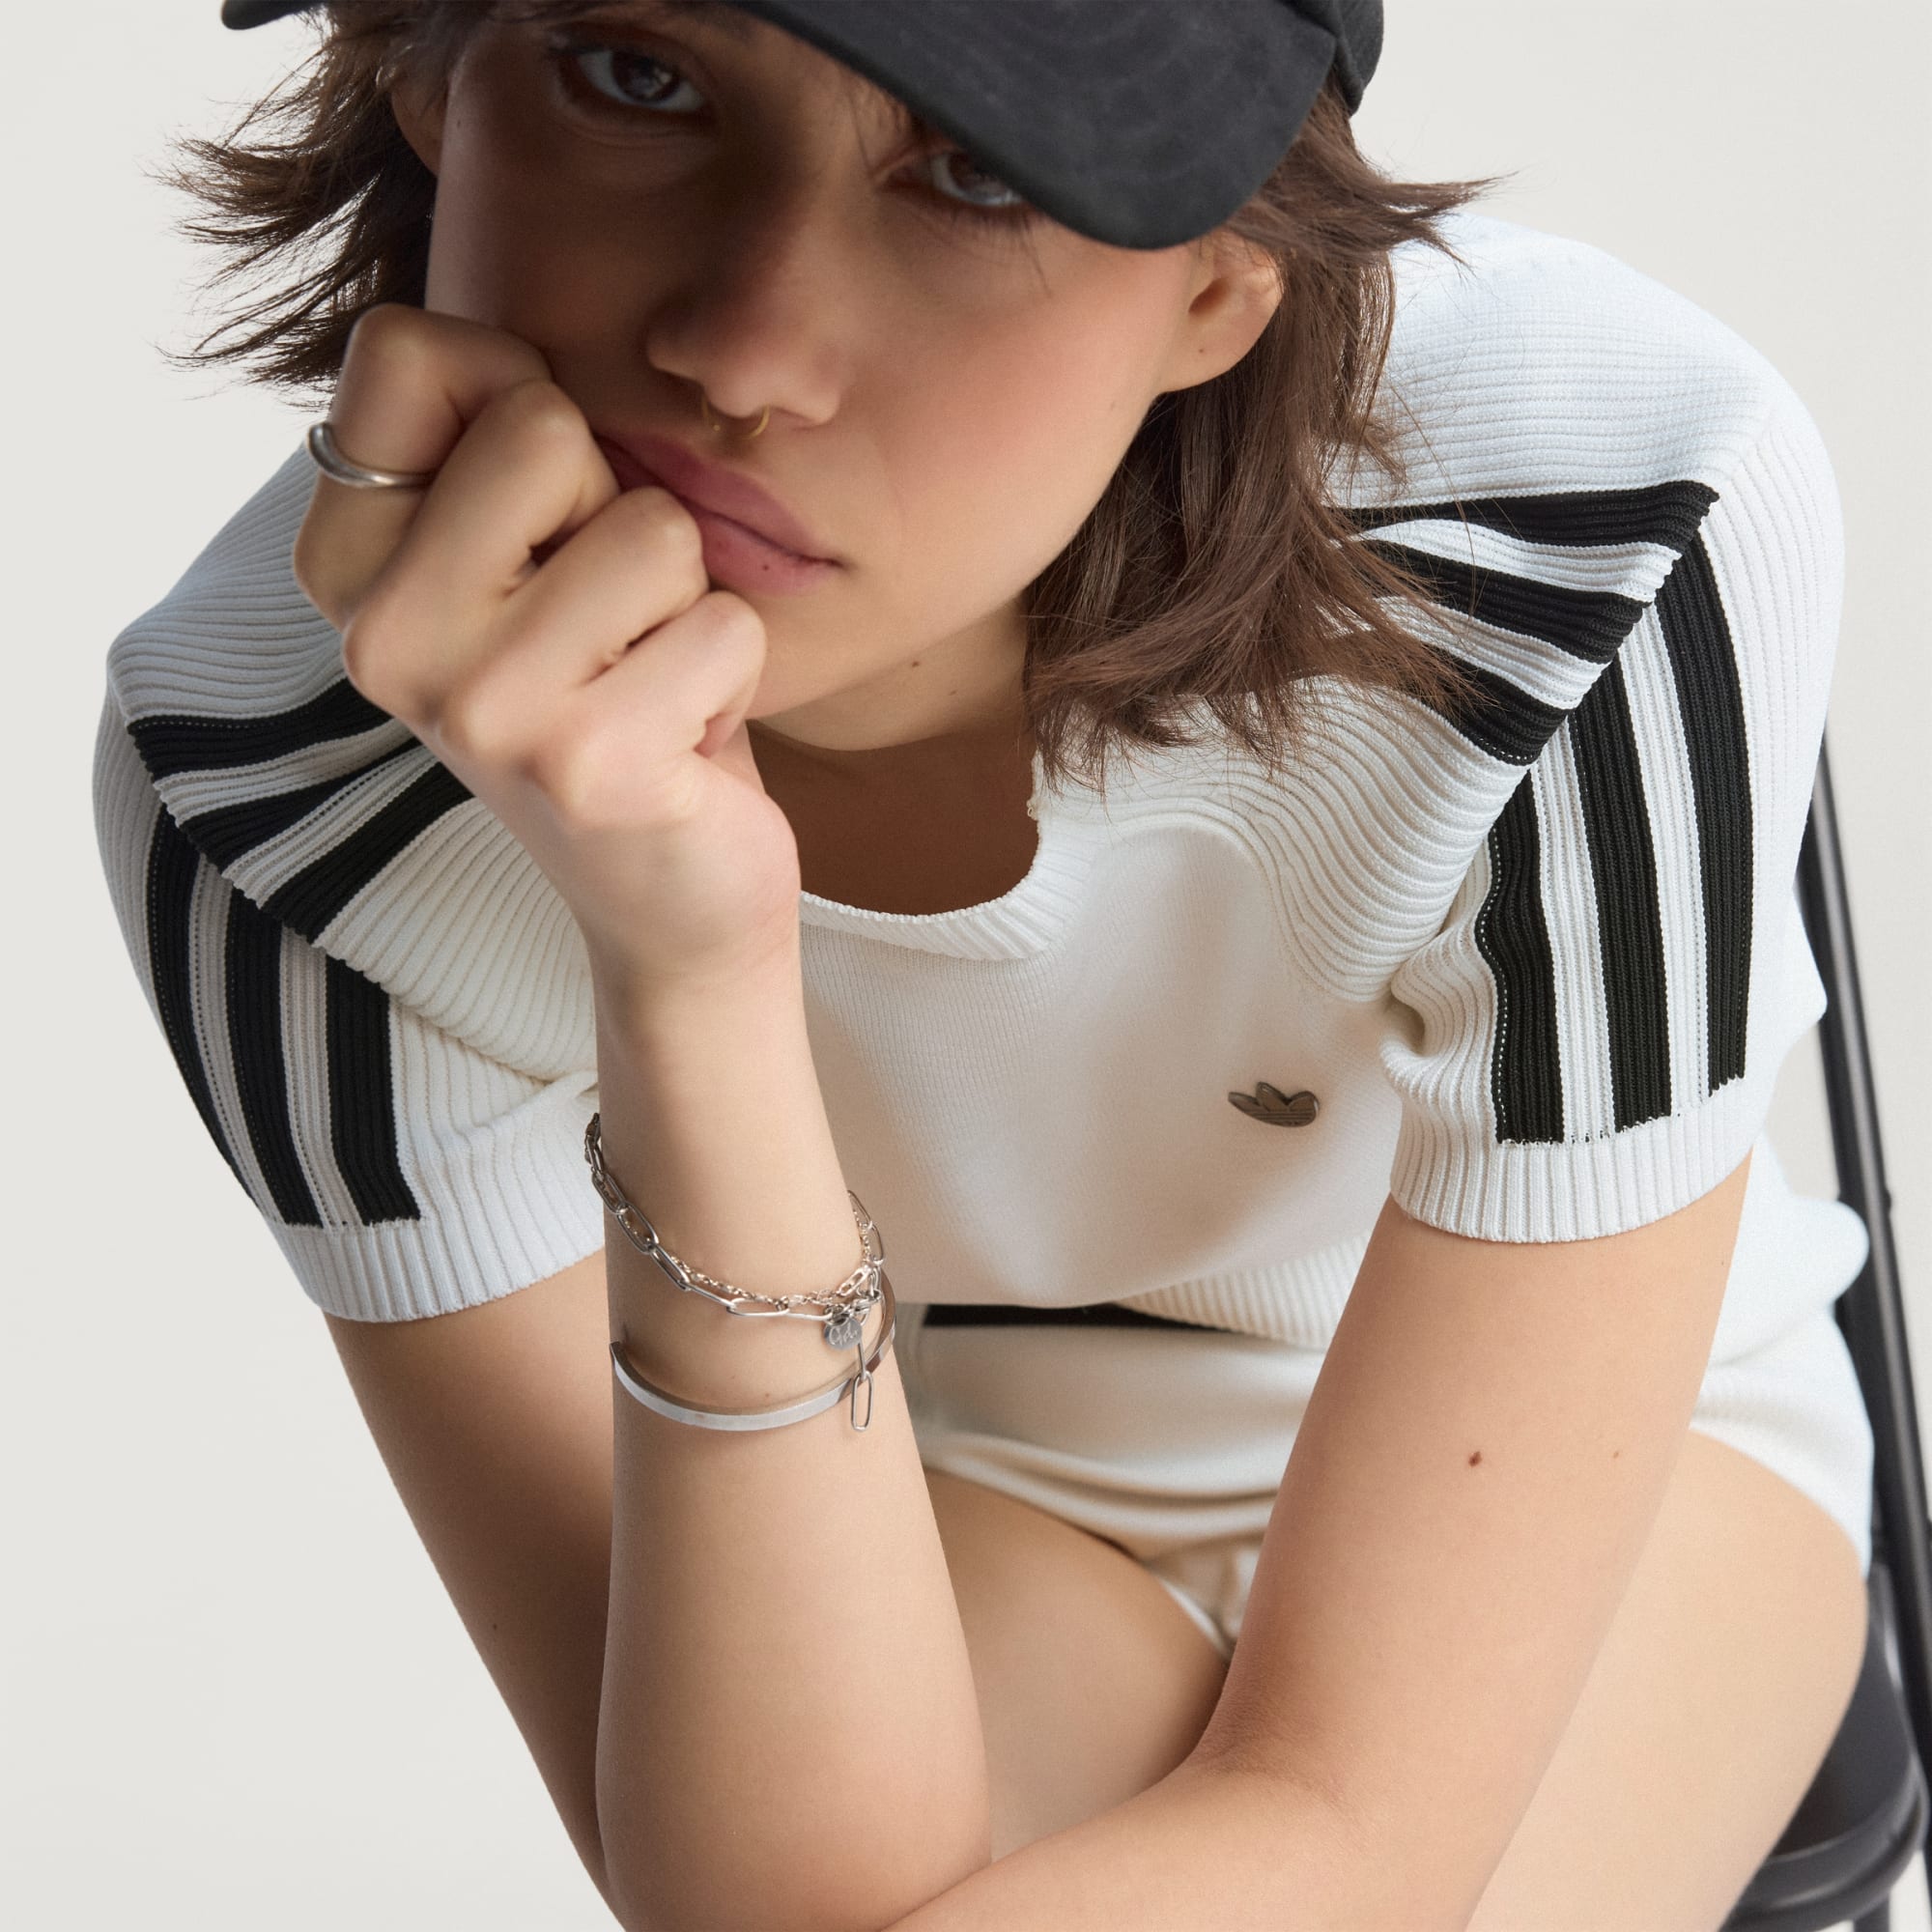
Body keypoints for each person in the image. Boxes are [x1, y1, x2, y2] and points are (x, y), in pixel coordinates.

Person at [93, 2, 1877, 1926]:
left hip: (1622, 1461)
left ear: (1222, 283)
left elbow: (1368, 1831)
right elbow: (750, 1899)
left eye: (978, 173)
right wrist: (687, 973)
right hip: (963, 1485)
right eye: (639, 77)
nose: (746, 351)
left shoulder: (1592, 515)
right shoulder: (260, 792)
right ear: (427, 71)